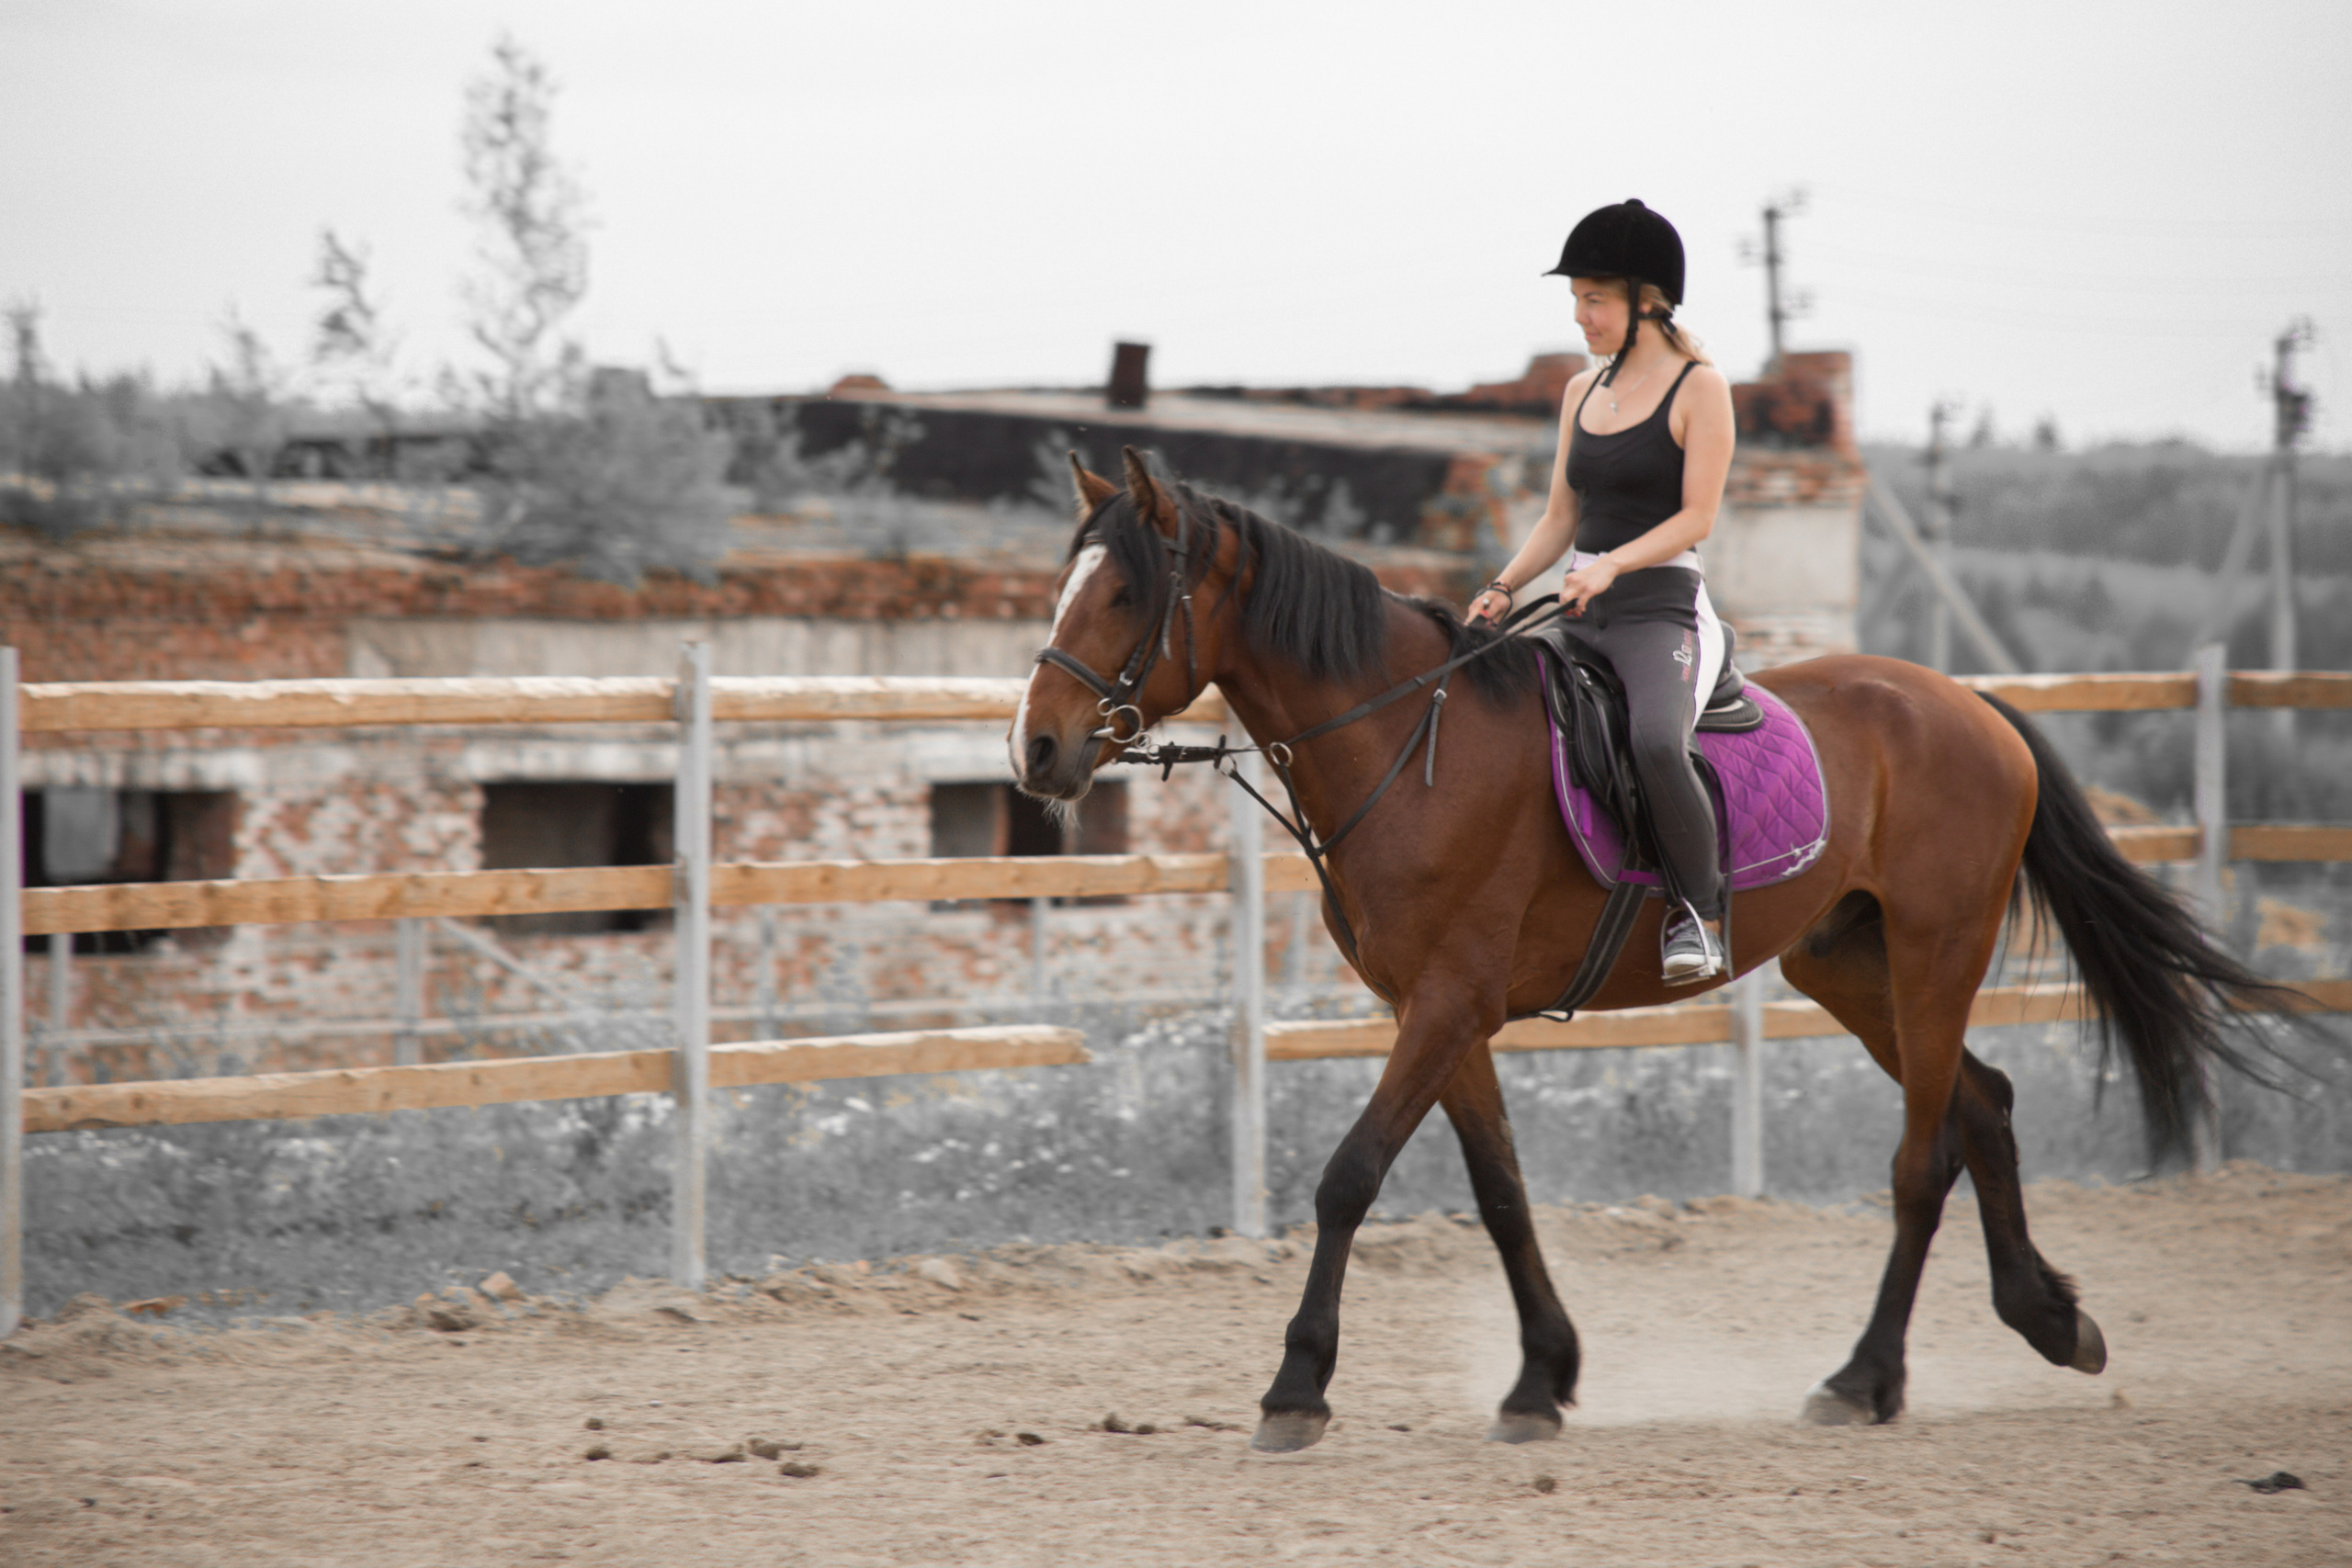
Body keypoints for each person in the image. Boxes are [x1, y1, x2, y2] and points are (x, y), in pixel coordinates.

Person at [1468, 198, 1738, 985]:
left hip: (1661, 610)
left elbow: (1700, 515)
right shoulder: (1579, 392)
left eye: (1596, 299)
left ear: (1646, 302)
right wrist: (1505, 586)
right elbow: (1561, 516)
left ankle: (1699, 912)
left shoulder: (1701, 388)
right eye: (1576, 300)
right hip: (1582, 608)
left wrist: (1614, 564)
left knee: (1656, 740)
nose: (1580, 316)